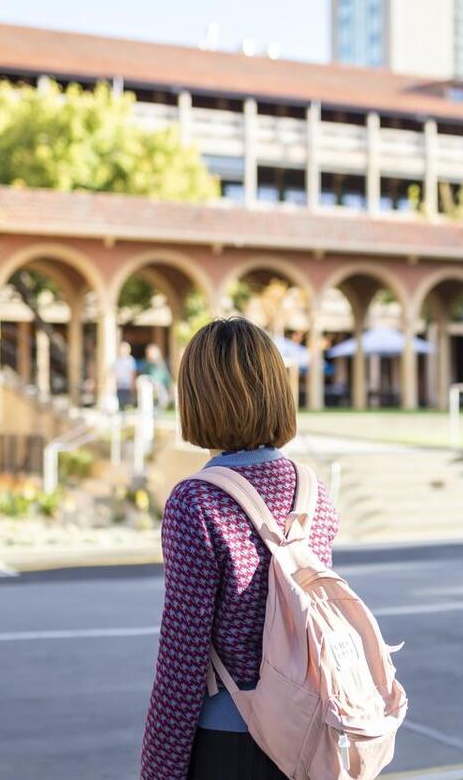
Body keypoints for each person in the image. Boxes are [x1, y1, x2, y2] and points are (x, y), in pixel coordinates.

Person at [140, 317, 340, 780]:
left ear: (198, 398)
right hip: (307, 734)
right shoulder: (313, 494)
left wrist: (159, 771)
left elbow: (182, 658)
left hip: (228, 742)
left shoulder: (197, 502)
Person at [142, 342, 173, 410]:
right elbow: (144, 377)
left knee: (163, 399)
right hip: (150, 387)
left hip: (160, 387)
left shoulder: (161, 364)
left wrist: (170, 387)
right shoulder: (146, 365)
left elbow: (166, 377)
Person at [114, 341, 138, 410]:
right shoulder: (117, 360)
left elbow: (133, 373)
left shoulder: (130, 360)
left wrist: (133, 384)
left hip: (127, 384)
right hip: (119, 384)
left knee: (127, 401)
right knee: (120, 401)